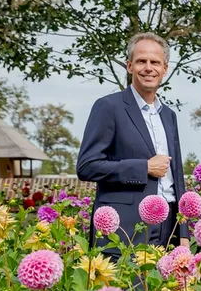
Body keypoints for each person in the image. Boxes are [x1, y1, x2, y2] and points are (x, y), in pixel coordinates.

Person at [77, 32, 189, 256]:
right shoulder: (108, 107)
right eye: (141, 61)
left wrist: (183, 232)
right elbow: (87, 166)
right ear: (129, 66)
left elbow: (177, 176)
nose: (149, 68)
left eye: (155, 62)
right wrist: (143, 167)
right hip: (125, 228)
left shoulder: (169, 115)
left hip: (168, 227)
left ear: (164, 69)